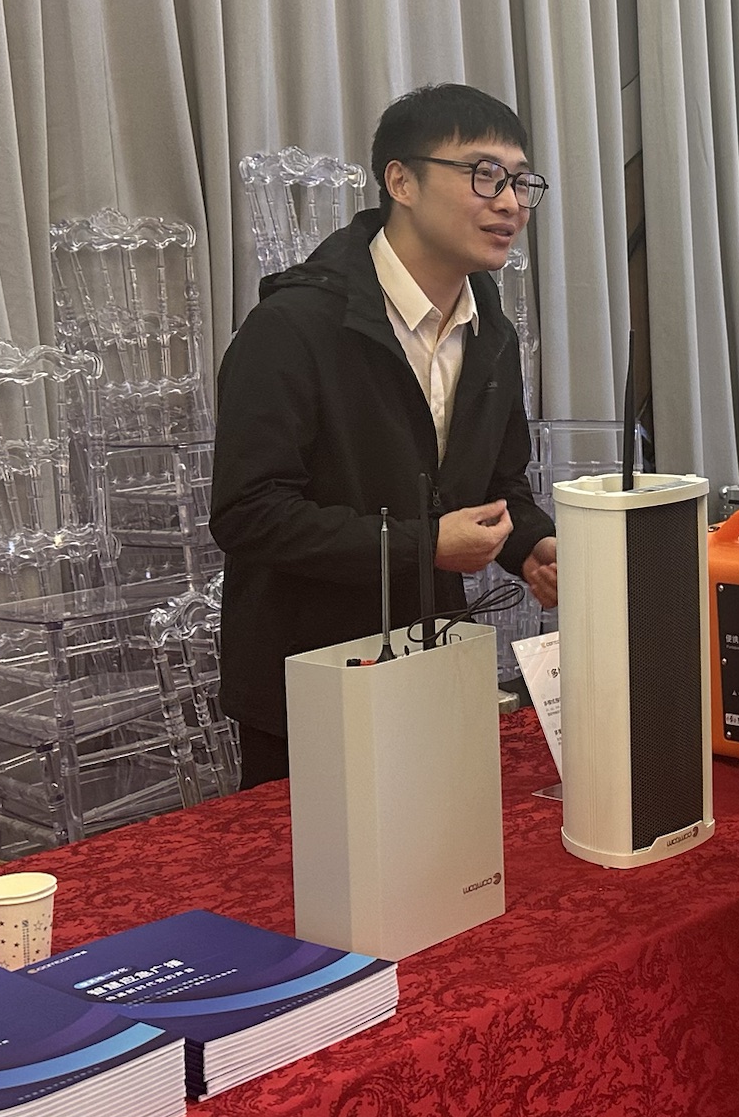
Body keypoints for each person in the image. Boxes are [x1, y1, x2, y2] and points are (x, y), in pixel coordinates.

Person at [210, 85, 559, 788]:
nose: (510, 203)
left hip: (431, 661)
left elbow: (498, 484)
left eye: (521, 182)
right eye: (484, 175)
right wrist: (424, 545)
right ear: (401, 181)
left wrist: (530, 546)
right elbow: (249, 514)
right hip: (307, 680)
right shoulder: (294, 326)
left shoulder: (490, 330)